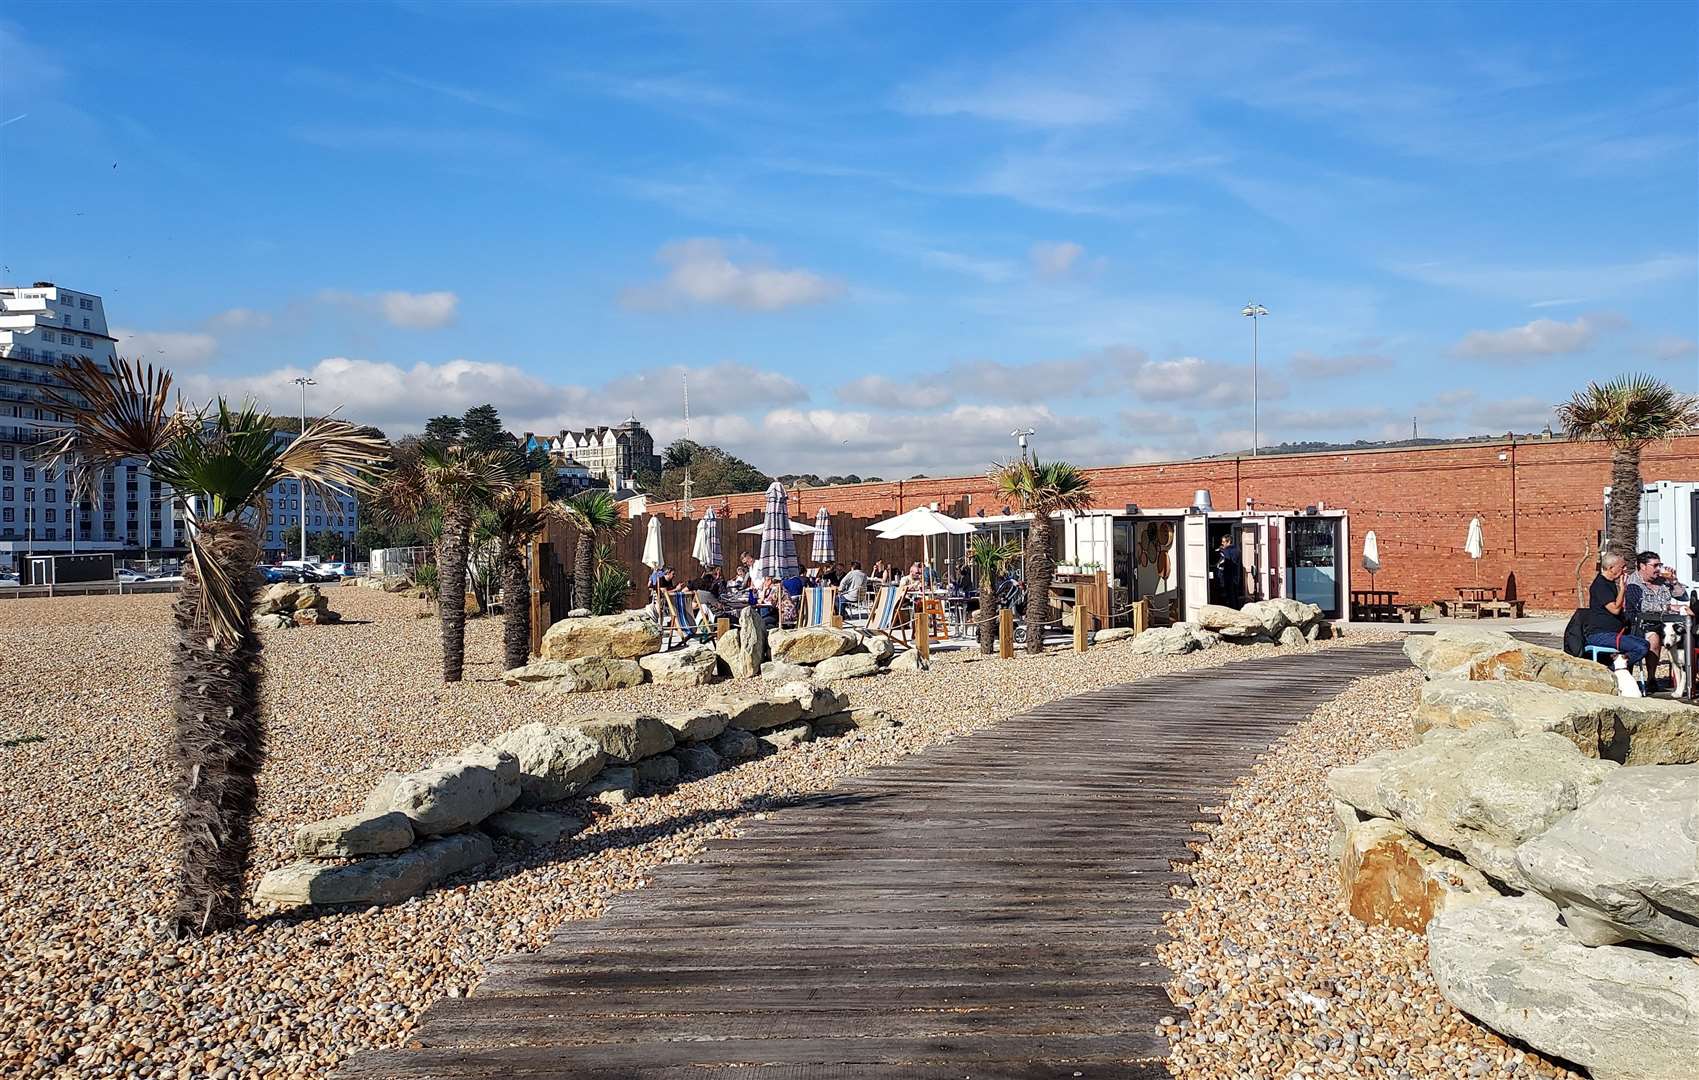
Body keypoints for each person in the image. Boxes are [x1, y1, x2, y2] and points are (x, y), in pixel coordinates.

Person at [1626, 550, 1690, 690]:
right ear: (1642, 566)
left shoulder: (1662, 580)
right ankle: (1651, 679)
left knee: (1684, 634)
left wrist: (1674, 581)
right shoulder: (1633, 583)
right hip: (1640, 624)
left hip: (1664, 622)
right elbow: (1641, 606)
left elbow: (1683, 597)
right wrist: (1668, 606)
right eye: (1655, 565)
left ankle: (1685, 678)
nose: (1658, 569)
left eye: (1659, 565)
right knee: (1654, 637)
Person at [1585, 552, 1651, 670]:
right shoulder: (1600, 585)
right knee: (1640, 648)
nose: (1625, 569)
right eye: (1622, 567)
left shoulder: (1610, 583)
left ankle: (1617, 668)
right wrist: (1623, 589)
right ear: (1611, 568)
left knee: (1645, 644)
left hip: (1615, 633)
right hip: (1601, 634)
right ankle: (1610, 671)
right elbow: (1615, 609)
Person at [1212, 533, 1243, 607]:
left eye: (1223, 542)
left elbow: (1227, 560)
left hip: (1229, 578)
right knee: (1233, 597)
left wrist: (1222, 550)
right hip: (1233, 577)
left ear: (1228, 542)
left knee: (1230, 598)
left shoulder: (1230, 551)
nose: (1222, 544)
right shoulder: (1235, 550)